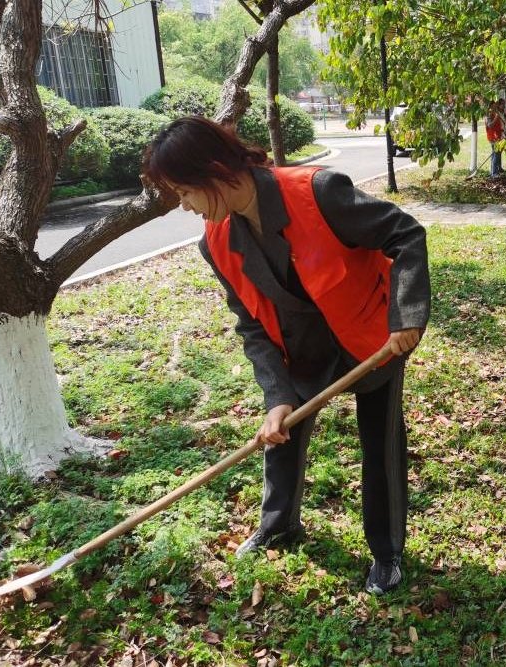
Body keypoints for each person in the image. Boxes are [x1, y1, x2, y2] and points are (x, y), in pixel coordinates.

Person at [142, 116, 431, 595]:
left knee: (380, 446)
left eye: (185, 192)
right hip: (297, 346)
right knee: (281, 435)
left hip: (369, 335)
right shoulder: (215, 242)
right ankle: (279, 524)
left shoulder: (318, 191)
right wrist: (276, 394)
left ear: (216, 171)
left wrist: (407, 316)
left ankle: (387, 552)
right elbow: (251, 323)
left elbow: (405, 234)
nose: (186, 206)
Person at [485, 99, 506, 178]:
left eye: (495, 106)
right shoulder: (489, 114)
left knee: (495, 154)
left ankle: (494, 171)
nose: (495, 107)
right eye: (494, 106)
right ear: (490, 106)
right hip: (493, 137)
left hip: (498, 136)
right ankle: (494, 173)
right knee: (496, 154)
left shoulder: (496, 113)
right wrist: (496, 117)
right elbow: (489, 125)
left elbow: (500, 124)